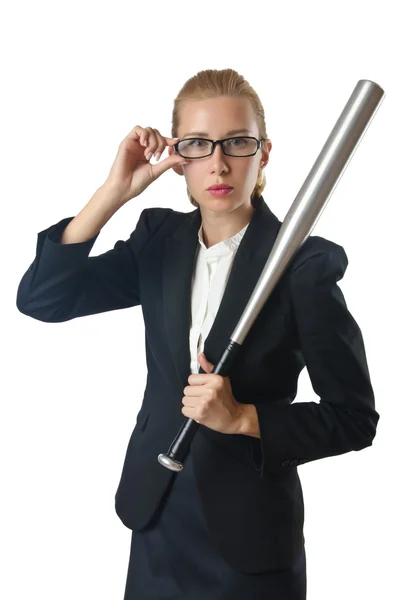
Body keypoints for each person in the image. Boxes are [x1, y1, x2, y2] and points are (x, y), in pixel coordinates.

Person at [16, 68, 379, 600]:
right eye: (198, 144)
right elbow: (42, 299)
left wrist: (244, 418)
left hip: (250, 542)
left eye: (237, 142)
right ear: (177, 155)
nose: (218, 162)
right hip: (156, 515)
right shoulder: (158, 241)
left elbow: (354, 419)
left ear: (264, 153)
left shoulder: (304, 264)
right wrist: (113, 193)